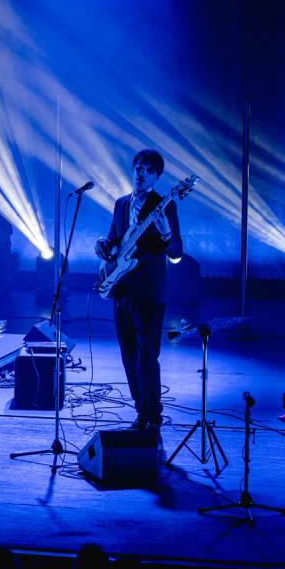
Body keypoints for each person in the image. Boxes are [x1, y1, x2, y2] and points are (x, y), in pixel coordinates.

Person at [94, 149, 182, 435]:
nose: (141, 172)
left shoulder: (164, 206)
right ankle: (139, 407)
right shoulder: (121, 204)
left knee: (147, 356)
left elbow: (176, 251)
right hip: (121, 289)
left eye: (148, 169)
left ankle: (152, 414)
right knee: (128, 354)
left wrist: (166, 232)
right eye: (138, 167)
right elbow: (114, 240)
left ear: (157, 176)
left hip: (149, 293)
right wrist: (103, 245)